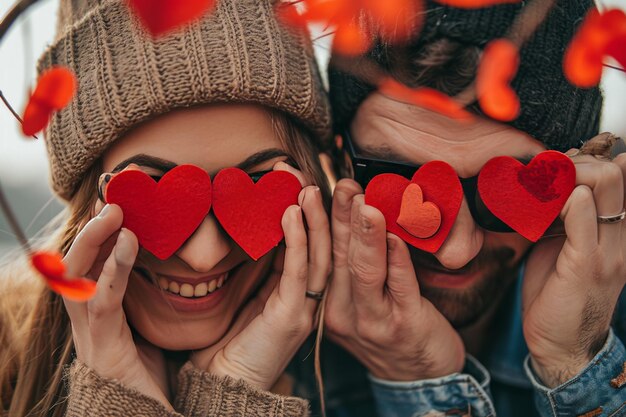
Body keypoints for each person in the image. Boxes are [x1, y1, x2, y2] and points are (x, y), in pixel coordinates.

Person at [290, 1, 626, 416]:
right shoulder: (277, 360)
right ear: (336, 163)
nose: (455, 252)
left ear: (582, 177)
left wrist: (576, 364)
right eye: (396, 178)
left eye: (500, 195)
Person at [0, 0, 334, 415]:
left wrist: (238, 382)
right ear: (88, 198)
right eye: (151, 187)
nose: (203, 257)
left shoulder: (371, 379)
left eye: (258, 182)